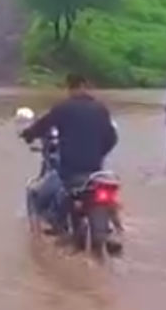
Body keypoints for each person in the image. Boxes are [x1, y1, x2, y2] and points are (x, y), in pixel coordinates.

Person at [20, 73, 118, 231]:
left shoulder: (62, 108)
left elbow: (42, 126)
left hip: (71, 169)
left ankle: (57, 225)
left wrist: (28, 134)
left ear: (69, 88)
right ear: (85, 86)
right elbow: (112, 139)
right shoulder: (101, 109)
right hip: (95, 169)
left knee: (41, 194)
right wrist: (99, 154)